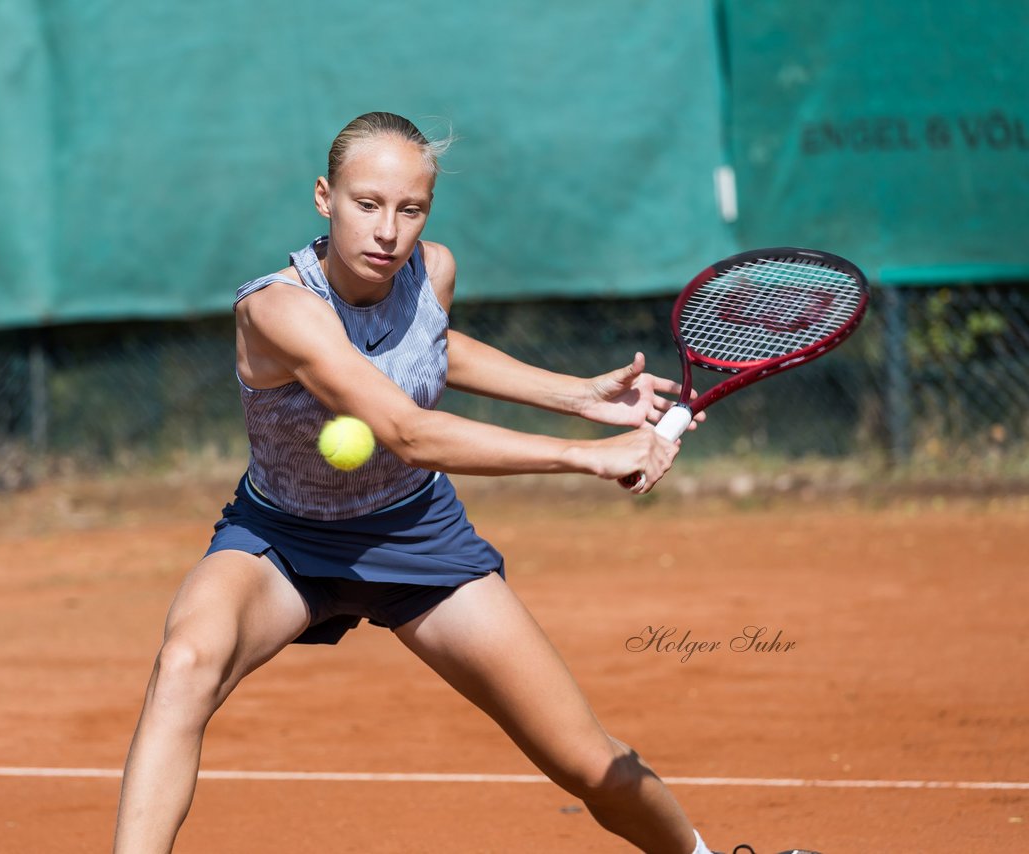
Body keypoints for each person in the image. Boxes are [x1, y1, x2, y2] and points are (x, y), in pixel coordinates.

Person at [112, 112, 787, 854]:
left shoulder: (432, 271)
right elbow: (407, 430)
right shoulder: (277, 311)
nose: (387, 232)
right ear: (323, 197)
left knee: (588, 761)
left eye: (410, 209)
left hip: (416, 535)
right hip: (283, 539)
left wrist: (577, 395)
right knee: (184, 664)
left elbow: (431, 344)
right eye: (366, 204)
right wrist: (587, 454)